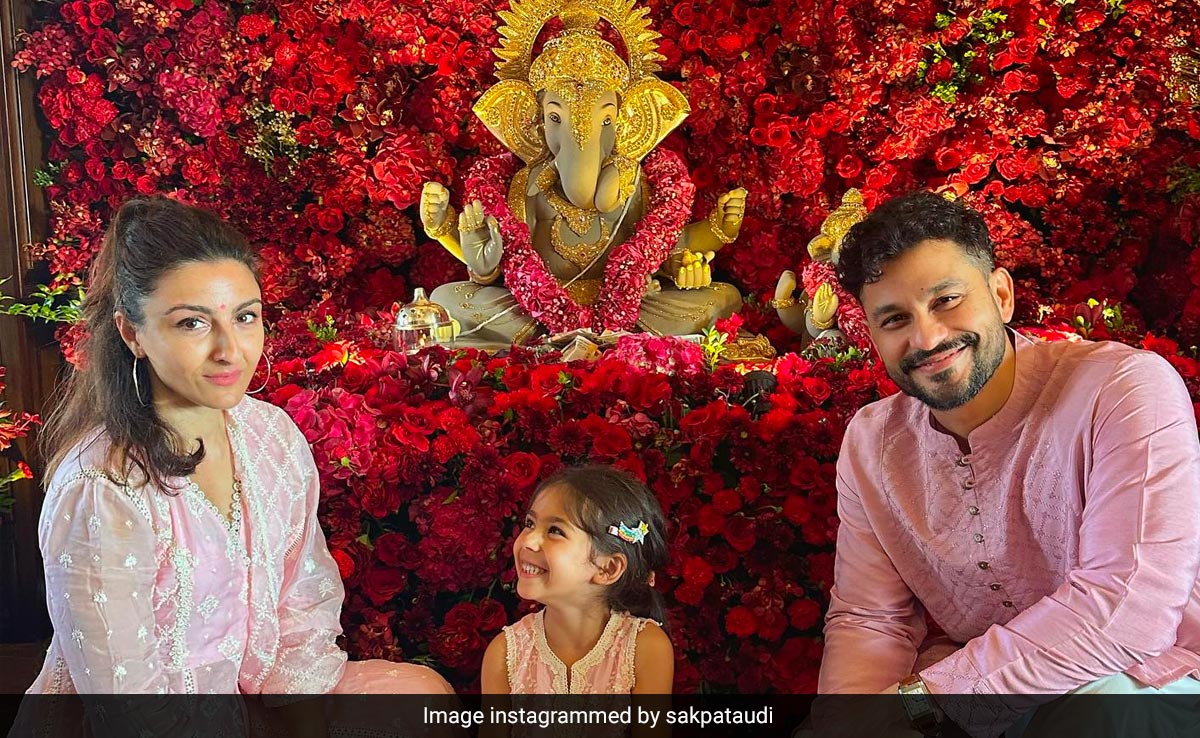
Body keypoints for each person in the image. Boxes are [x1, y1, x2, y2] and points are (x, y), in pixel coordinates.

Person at [23, 197, 452, 732]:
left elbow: (300, 611)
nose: (230, 350)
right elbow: (130, 709)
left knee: (420, 702)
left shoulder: (270, 435)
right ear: (132, 333)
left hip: (252, 701)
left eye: (245, 317)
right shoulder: (102, 484)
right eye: (192, 324)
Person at [817, 191, 1200, 737]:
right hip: (974, 701)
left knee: (1103, 710)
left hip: (1156, 676)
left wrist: (923, 703)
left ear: (1000, 295)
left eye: (946, 300)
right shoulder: (872, 443)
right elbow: (870, 619)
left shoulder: (1121, 389)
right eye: (896, 319)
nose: (927, 338)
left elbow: (1128, 605)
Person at [481, 465, 673, 695]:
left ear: (608, 568)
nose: (528, 541)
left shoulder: (645, 648)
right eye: (530, 524)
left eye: (555, 531)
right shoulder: (504, 654)